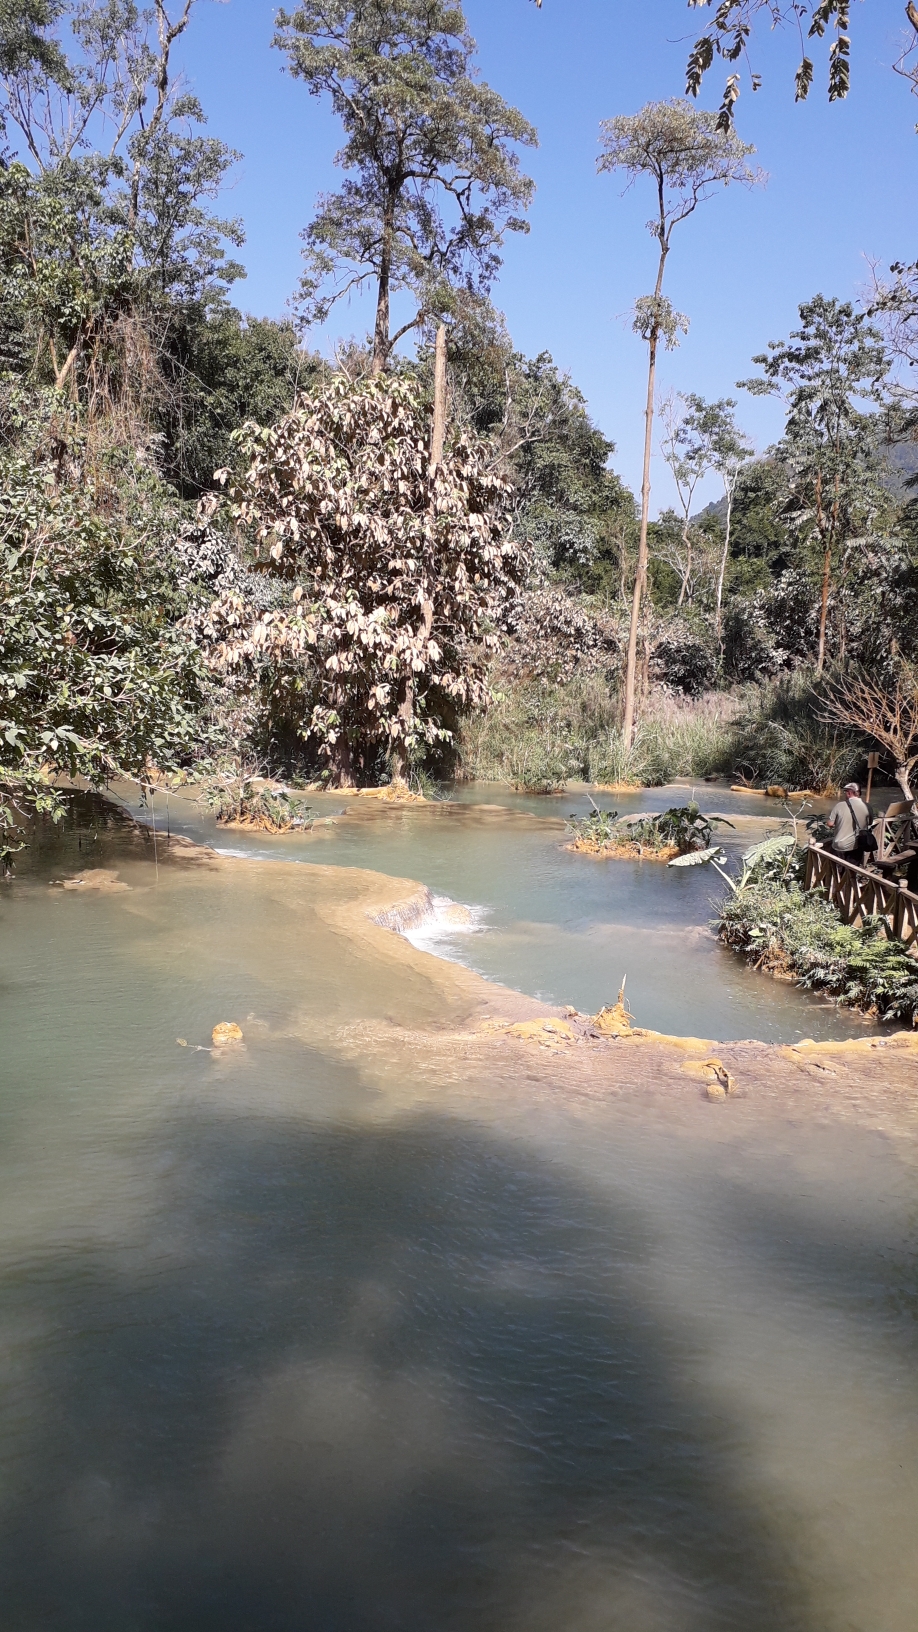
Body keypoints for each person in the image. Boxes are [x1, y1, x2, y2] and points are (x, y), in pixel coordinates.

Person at [825, 782, 875, 860]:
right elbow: (870, 823)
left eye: (845, 792)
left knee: (838, 870)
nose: (845, 794)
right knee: (852, 869)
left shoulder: (839, 806)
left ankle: (839, 872)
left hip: (840, 845)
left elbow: (830, 823)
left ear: (849, 793)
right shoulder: (867, 806)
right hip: (858, 844)